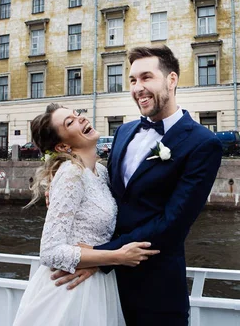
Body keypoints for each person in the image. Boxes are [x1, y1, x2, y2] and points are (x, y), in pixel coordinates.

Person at [52, 45, 223, 325]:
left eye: (146, 78)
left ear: (171, 80)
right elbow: (106, 186)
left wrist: (103, 256)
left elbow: (173, 223)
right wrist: (60, 185)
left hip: (155, 288)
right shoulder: (124, 131)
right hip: (101, 287)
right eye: (132, 80)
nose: (138, 88)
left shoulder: (203, 143)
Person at [13, 104, 159, 326]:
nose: (80, 119)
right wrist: (117, 256)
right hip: (70, 291)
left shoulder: (100, 172)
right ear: (62, 145)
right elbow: (50, 251)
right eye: (69, 123)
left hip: (98, 281)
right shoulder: (71, 174)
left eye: (76, 115)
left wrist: (101, 260)